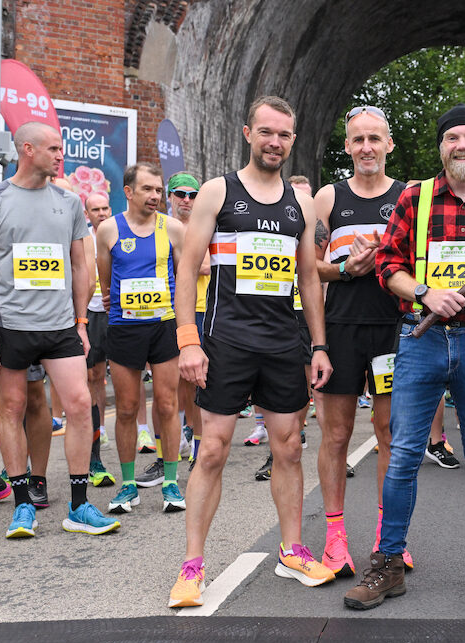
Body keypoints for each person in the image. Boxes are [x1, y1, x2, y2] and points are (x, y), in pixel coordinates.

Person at [343, 104, 465, 613]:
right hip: (419, 341)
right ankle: (388, 565)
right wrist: (425, 292)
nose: (462, 144)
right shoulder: (415, 197)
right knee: (402, 457)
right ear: (440, 148)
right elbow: (386, 266)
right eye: (452, 138)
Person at [168, 96, 334, 608]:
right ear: (247, 133)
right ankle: (192, 566)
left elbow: (308, 279)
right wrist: (188, 340)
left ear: (292, 140)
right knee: (213, 450)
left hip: (283, 343)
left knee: (288, 447)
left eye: (284, 135)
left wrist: (319, 346)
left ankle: (292, 548)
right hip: (225, 340)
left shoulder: (300, 204)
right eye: (266, 132)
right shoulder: (219, 191)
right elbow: (186, 268)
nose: (274, 142)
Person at [0, 121, 120, 538]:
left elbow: (80, 265)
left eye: (62, 149)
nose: (60, 156)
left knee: (80, 404)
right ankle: (21, 508)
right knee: (11, 410)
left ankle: (80, 505)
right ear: (27, 150)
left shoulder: (69, 202)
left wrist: (82, 321)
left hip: (60, 327)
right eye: (53, 149)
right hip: (9, 326)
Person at [311, 105, 410, 577]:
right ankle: (334, 537)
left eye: (375, 139)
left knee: (391, 435)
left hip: (394, 329)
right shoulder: (329, 198)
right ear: (347, 146)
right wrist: (347, 267)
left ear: (389, 144)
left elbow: (422, 263)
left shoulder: (408, 197)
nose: (366, 148)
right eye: (358, 140)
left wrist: (389, 265)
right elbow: (307, 269)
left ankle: (389, 536)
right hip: (343, 329)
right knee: (336, 435)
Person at [98, 162, 186, 514]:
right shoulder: (107, 230)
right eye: (148, 189)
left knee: (167, 404)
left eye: (158, 190)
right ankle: (129, 485)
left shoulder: (174, 229)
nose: (155, 196)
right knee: (127, 408)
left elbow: (183, 278)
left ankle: (170, 481)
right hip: (124, 327)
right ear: (129, 192)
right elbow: (106, 283)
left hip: (164, 326)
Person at [166, 171, 207, 467]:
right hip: (163, 311)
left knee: (198, 379)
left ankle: (198, 445)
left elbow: (204, 266)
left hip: (200, 308)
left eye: (193, 195)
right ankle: (179, 432)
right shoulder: (160, 227)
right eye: (181, 194)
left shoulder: (204, 226)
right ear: (169, 196)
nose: (187, 200)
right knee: (172, 381)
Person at [83, 193, 116, 487]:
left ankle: (101, 427)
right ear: (87, 212)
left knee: (107, 375)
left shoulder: (116, 232)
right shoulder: (81, 236)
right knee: (91, 374)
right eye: (96, 209)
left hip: (112, 311)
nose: (102, 213)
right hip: (88, 313)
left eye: (105, 207)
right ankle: (95, 429)